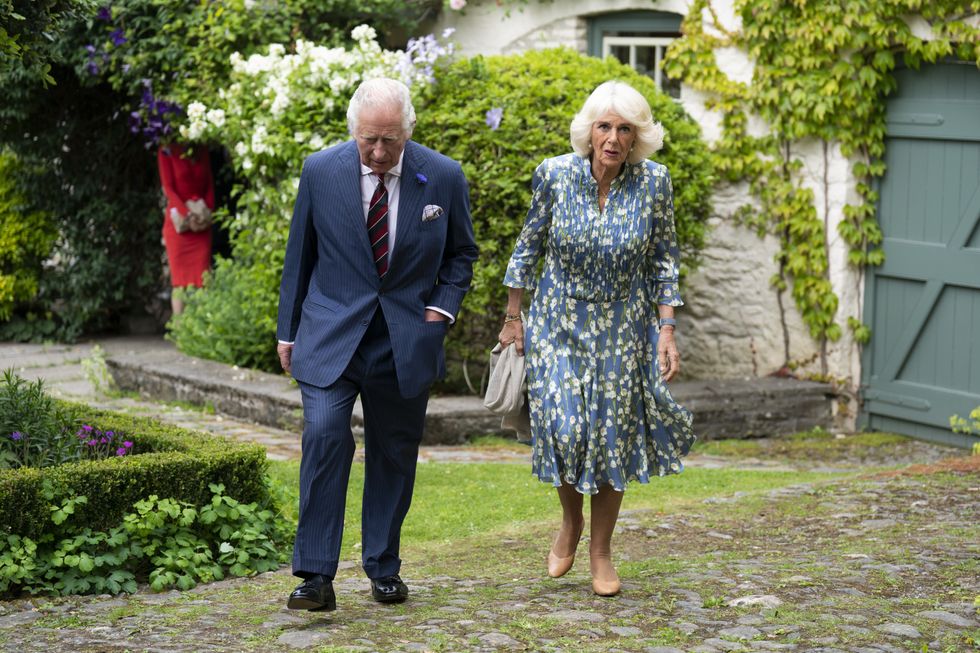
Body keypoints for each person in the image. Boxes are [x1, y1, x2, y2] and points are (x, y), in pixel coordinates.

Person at [276, 78, 478, 612]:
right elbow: (300, 255)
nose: (380, 152)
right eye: (369, 140)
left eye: (390, 139)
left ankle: (384, 566)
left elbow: (462, 254)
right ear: (354, 132)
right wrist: (287, 331)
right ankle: (315, 577)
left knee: (393, 452)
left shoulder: (443, 175)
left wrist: (440, 309)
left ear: (408, 130)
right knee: (325, 436)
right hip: (330, 334)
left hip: (405, 338)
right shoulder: (321, 170)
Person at [497, 80, 695, 597]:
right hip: (557, 322)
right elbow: (527, 248)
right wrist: (514, 316)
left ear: (637, 137)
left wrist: (667, 329)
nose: (612, 138)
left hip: (623, 327)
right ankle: (571, 520)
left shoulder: (654, 182)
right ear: (589, 132)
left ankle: (601, 550)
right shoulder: (555, 174)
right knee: (565, 429)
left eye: (624, 129)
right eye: (604, 126)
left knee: (612, 437)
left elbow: (664, 260)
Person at [157, 142, 214, 315]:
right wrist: (187, 215)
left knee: (204, 279)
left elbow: (209, 185)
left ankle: (205, 325)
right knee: (179, 282)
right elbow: (168, 188)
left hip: (201, 224)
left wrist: (207, 212)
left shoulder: (201, 149)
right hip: (178, 226)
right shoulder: (166, 151)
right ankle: (180, 328)